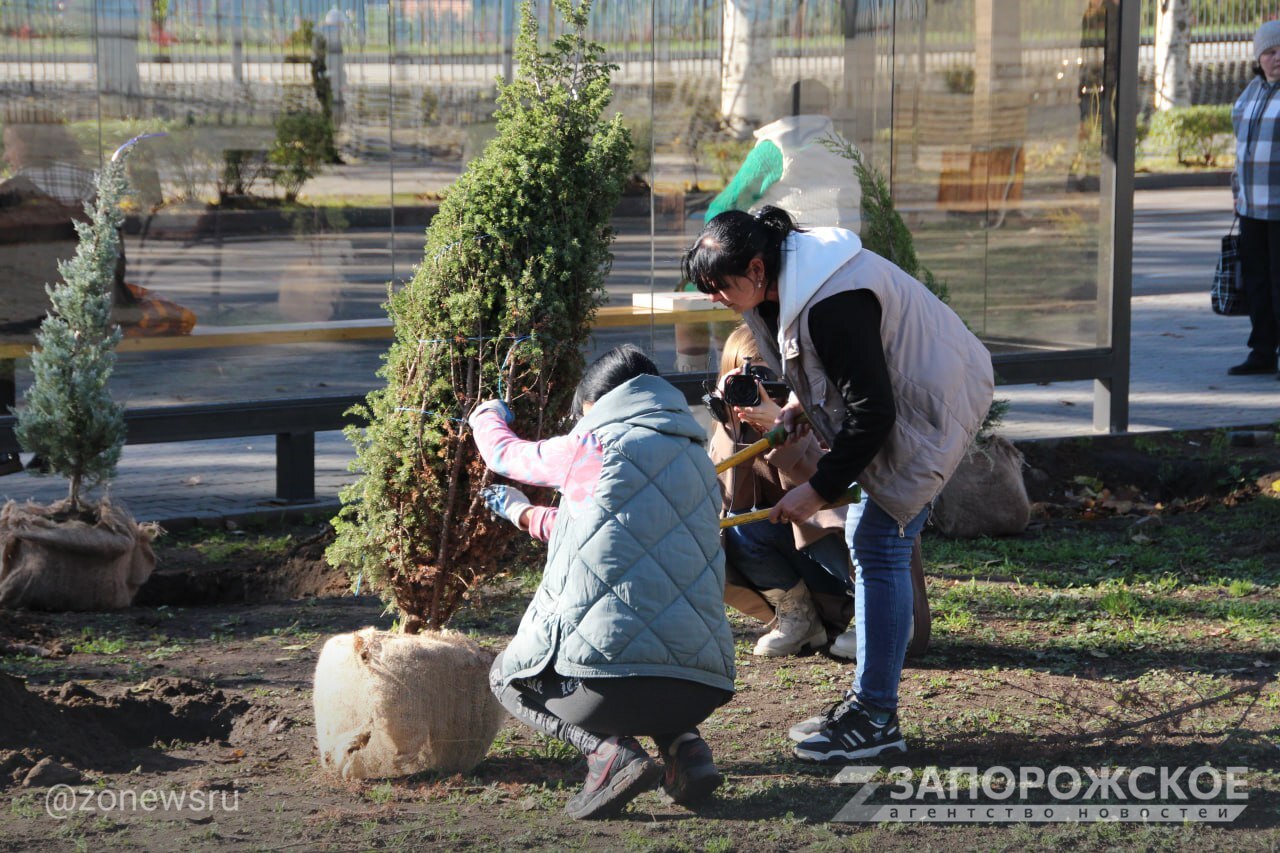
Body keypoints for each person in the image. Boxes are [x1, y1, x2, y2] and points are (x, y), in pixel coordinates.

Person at [681, 207, 993, 763]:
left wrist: (818, 489)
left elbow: (873, 411)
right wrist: (801, 404)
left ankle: (875, 717)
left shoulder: (832, 301)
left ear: (756, 269)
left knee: (878, 542)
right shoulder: (784, 286)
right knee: (872, 544)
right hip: (902, 404)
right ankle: (870, 706)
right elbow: (846, 373)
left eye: (719, 286)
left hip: (931, 407)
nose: (714, 298)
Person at [468, 344, 736, 820]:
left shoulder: (591, 446)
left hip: (606, 691)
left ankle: (606, 754)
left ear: (595, 404)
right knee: (654, 638)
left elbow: (505, 454)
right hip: (700, 689)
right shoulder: (699, 460)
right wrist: (521, 513)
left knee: (506, 676)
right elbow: (600, 526)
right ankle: (687, 751)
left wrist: (486, 415)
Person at [708, 323, 858, 658]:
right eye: (746, 380)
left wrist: (787, 430)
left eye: (768, 377)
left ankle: (875, 609)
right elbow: (731, 504)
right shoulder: (736, 425)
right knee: (738, 527)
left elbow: (835, 495)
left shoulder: (818, 411)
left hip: (841, 553)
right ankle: (801, 619)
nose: (759, 389)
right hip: (803, 563)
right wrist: (732, 428)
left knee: (815, 516)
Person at [1228, 21, 1280, 377]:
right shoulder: (1251, 92)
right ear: (1258, 57)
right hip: (1251, 206)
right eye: (1270, 51)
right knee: (1257, 282)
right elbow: (1240, 149)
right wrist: (1237, 193)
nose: (1277, 58)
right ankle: (1262, 352)